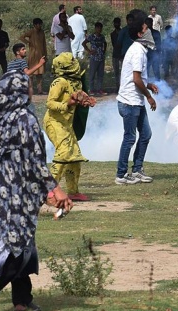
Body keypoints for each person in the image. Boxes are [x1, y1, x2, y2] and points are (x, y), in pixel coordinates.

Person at [0, 70, 73, 311]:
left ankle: (22, 300)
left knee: (13, 244)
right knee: (18, 247)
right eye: (28, 88)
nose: (31, 91)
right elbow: (34, 162)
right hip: (15, 194)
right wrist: (55, 189)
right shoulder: (25, 118)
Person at [115, 9, 159, 185]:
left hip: (135, 102)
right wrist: (149, 96)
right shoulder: (138, 52)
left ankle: (137, 169)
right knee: (130, 137)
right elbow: (135, 80)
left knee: (146, 134)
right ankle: (121, 174)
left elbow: (137, 78)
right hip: (130, 102)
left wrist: (148, 85)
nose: (148, 30)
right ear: (141, 33)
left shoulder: (139, 49)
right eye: (145, 27)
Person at [45, 52, 96, 202]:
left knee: (74, 157)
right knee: (63, 153)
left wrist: (86, 100)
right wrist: (66, 105)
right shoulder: (59, 82)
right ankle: (48, 191)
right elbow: (49, 103)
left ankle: (73, 191)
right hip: (54, 123)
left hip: (67, 124)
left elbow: (79, 96)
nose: (75, 62)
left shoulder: (77, 81)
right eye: (72, 60)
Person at [19, 18, 47, 95]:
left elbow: (44, 44)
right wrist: (28, 42)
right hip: (33, 55)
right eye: (38, 24)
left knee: (40, 73)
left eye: (41, 24)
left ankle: (40, 90)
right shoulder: (31, 32)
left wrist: (45, 55)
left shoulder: (42, 32)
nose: (40, 26)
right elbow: (21, 37)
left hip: (41, 55)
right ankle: (30, 90)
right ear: (35, 25)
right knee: (31, 74)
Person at [83, 22, 108, 96]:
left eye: (100, 28)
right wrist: (89, 51)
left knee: (100, 75)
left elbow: (105, 43)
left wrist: (104, 50)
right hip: (94, 58)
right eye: (98, 28)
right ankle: (91, 89)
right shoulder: (91, 36)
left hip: (101, 58)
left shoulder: (102, 37)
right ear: (95, 28)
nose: (99, 29)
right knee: (92, 74)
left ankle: (99, 89)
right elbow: (84, 43)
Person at [110, 17, 122, 90]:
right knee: (116, 72)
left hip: (122, 55)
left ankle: (122, 87)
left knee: (123, 72)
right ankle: (118, 87)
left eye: (117, 23)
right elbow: (113, 44)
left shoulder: (123, 32)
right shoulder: (112, 34)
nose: (116, 24)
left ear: (120, 23)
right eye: (115, 23)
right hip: (115, 55)